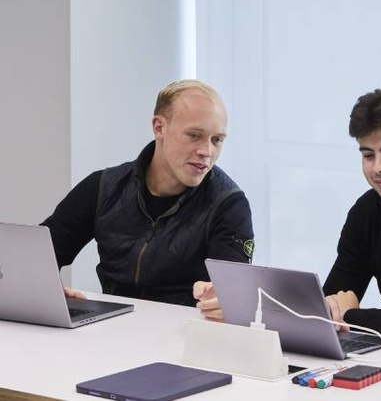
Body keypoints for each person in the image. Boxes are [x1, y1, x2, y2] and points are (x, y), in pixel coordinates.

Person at [42, 79, 254, 307]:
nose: (206, 151)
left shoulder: (229, 204)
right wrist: (47, 293)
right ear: (159, 127)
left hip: (185, 331)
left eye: (217, 140)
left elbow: (234, 293)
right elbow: (35, 260)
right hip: (114, 328)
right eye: (194, 135)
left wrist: (224, 302)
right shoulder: (103, 188)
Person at [323, 87, 381, 339]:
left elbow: (344, 313)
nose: (378, 168)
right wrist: (334, 310)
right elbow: (333, 300)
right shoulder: (367, 211)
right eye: (368, 155)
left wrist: (351, 317)